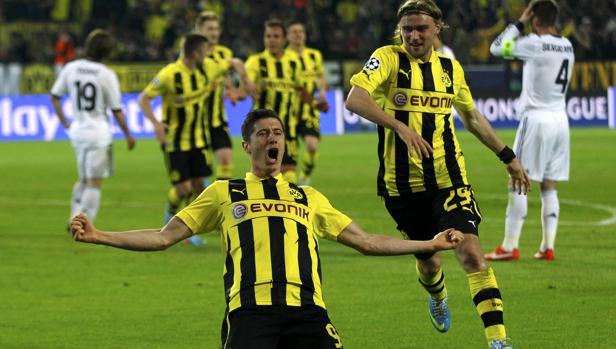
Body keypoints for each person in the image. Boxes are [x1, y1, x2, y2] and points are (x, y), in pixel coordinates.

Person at [70, 108, 465, 349]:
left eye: (277, 133)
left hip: (308, 312)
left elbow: (366, 241)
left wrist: (429, 242)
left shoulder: (306, 197)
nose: (273, 139)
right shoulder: (225, 191)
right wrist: (100, 235)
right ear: (247, 146)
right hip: (250, 314)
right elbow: (163, 236)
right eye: (264, 134)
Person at [345, 1, 531, 348]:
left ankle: (499, 340)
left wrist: (507, 155)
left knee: (471, 254)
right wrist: (399, 126)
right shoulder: (387, 58)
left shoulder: (450, 68)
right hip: (401, 186)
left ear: (437, 30)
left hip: (449, 178)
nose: (414, 35)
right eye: (408, 29)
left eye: (422, 28)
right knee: (429, 262)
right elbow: (355, 99)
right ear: (399, 32)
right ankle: (438, 295)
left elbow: (472, 117)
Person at [139, 33, 255, 236]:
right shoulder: (169, 74)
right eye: (204, 52)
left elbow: (235, 62)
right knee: (183, 189)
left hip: (200, 140)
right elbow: (143, 98)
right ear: (194, 54)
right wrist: (156, 124)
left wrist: (245, 81)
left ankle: (190, 232)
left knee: (200, 186)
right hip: (175, 142)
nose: (207, 55)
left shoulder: (209, 67)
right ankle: (169, 217)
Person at [486, 0, 574, 262]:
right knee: (549, 183)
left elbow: (496, 48)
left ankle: (509, 246)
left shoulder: (533, 44)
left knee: (517, 178)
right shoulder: (567, 45)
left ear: (535, 19)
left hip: (536, 119)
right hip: (561, 120)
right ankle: (548, 246)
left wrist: (519, 22)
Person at [51, 29, 135, 227]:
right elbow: (116, 110)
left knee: (84, 178)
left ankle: (74, 217)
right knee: (94, 182)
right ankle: (82, 223)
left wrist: (65, 123)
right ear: (108, 53)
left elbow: (54, 96)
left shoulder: (71, 68)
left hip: (77, 132)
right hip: (98, 134)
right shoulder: (106, 75)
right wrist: (129, 135)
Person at [245, 19, 308, 184]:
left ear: (284, 39)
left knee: (289, 176)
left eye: (276, 36)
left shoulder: (294, 62)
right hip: (262, 131)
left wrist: (315, 103)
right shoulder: (256, 62)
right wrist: (245, 88)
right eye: (268, 36)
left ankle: (284, 208)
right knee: (265, 176)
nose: (271, 40)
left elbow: (300, 88)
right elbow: (246, 88)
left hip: (288, 127)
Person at [195, 11, 242, 181]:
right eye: (209, 29)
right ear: (200, 30)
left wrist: (230, 90)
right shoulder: (193, 54)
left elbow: (225, 76)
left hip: (217, 119)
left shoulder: (225, 53)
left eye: (216, 28)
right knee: (200, 174)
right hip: (196, 121)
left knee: (226, 161)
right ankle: (202, 200)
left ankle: (220, 203)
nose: (214, 33)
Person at [286, 21, 330, 185]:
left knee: (312, 146)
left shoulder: (314, 55)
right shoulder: (284, 56)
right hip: (289, 110)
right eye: (294, 32)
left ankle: (304, 176)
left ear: (304, 35)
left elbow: (320, 77)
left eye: (300, 31)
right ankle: (288, 181)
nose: (298, 34)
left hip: (310, 110)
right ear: (288, 37)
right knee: (290, 151)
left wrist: (323, 95)